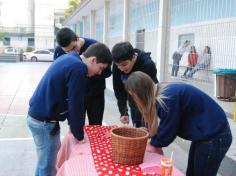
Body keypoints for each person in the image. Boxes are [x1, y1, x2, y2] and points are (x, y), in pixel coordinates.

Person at [27, 43, 113, 176]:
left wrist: (74, 127)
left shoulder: (71, 58)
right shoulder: (78, 68)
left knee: (44, 163)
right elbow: (76, 103)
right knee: (48, 167)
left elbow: (69, 99)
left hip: (39, 117)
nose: (99, 73)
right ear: (93, 60)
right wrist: (78, 134)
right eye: (100, 68)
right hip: (43, 122)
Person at [125, 71, 232, 176]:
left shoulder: (167, 98)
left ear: (140, 93)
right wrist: (150, 135)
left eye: (134, 96)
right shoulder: (161, 92)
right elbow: (167, 126)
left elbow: (168, 131)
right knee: (192, 172)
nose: (134, 99)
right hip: (205, 134)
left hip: (215, 136)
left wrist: (153, 144)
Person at [54, 27, 112, 125]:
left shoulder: (95, 46)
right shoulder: (59, 50)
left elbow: (107, 72)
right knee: (76, 124)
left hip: (95, 94)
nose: (73, 53)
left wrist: (89, 72)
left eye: (73, 48)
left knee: (96, 125)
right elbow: (60, 72)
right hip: (75, 94)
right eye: (67, 52)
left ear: (76, 38)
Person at [112, 41, 158, 127]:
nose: (121, 69)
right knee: (136, 128)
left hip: (148, 102)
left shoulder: (147, 65)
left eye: (124, 65)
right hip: (133, 102)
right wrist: (123, 112)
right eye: (118, 65)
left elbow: (150, 92)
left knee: (147, 129)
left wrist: (146, 113)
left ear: (133, 57)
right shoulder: (117, 65)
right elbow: (118, 89)